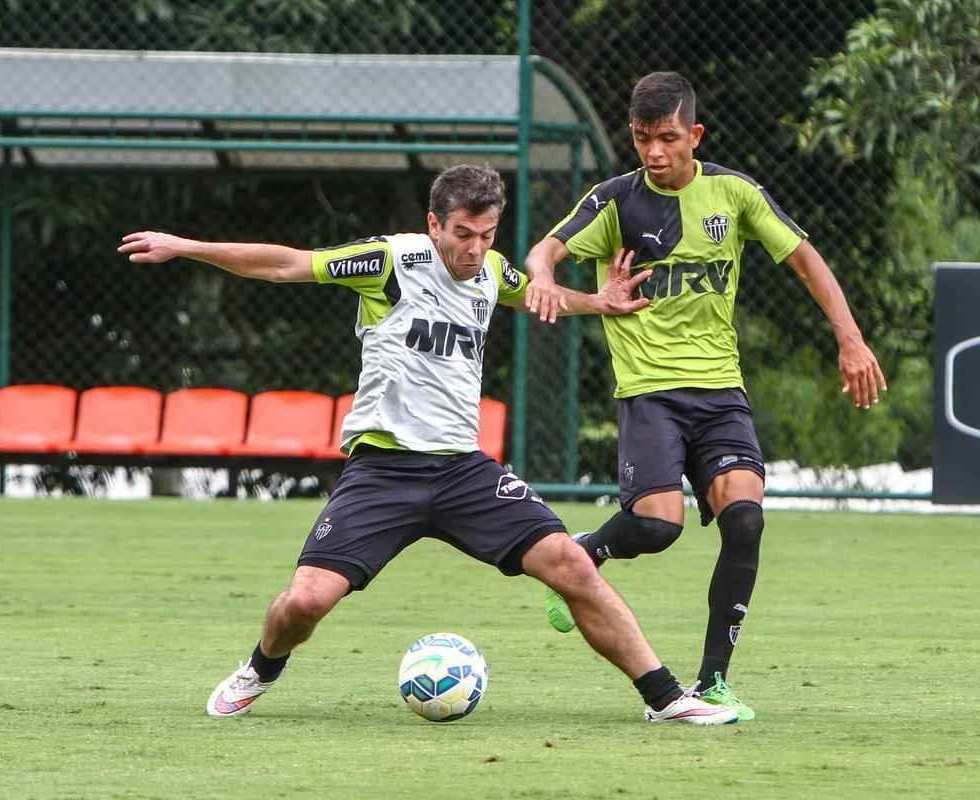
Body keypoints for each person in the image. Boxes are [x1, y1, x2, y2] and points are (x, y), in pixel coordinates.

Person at [119, 164, 738, 725]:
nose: (476, 249)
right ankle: (260, 668)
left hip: (463, 471)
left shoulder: (491, 270)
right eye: (464, 233)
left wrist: (596, 302)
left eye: (488, 234)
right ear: (434, 223)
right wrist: (187, 247)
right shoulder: (391, 261)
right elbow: (289, 263)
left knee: (572, 565)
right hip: (383, 472)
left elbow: (534, 294)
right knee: (305, 602)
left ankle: (664, 698)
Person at [524, 72, 887, 721]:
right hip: (650, 392)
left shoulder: (734, 193)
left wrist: (851, 340)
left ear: (693, 134)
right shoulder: (616, 201)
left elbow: (807, 259)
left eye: (667, 138)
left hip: (720, 391)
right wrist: (547, 277)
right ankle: (585, 553)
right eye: (642, 138)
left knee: (746, 518)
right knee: (658, 527)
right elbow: (541, 251)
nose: (654, 152)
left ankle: (712, 682)